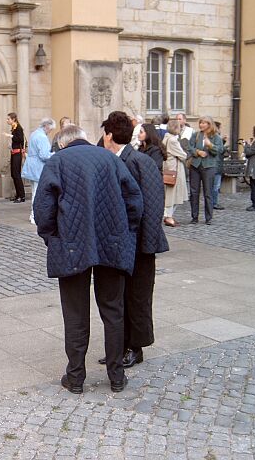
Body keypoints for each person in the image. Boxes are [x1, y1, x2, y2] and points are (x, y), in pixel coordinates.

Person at [33, 125, 143, 394]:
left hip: (72, 245)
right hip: (112, 243)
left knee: (75, 313)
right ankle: (116, 376)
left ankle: (76, 377)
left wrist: (52, 237)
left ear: (62, 143)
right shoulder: (109, 158)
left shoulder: (58, 161)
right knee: (113, 311)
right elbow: (134, 201)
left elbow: (43, 208)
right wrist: (124, 232)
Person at [100, 111, 169, 369]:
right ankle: (118, 346)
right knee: (118, 297)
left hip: (139, 243)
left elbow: (153, 204)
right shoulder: (112, 160)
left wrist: (147, 244)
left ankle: (135, 347)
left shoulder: (140, 161)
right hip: (119, 243)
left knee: (137, 297)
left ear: (109, 135)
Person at [188, 116, 224, 225]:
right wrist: (197, 152)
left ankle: (209, 217)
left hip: (209, 167)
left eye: (204, 123)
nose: (201, 125)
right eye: (200, 123)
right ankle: (194, 217)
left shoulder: (215, 137)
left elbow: (219, 150)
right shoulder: (196, 135)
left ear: (209, 124)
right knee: (194, 192)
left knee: (208, 192)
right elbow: (189, 147)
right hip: (195, 166)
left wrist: (210, 145)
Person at [22, 118, 55, 224]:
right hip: (38, 168)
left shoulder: (34, 133)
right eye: (50, 129)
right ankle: (34, 215)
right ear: (47, 126)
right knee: (37, 193)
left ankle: (34, 215)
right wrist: (55, 155)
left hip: (32, 166)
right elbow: (44, 155)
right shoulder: (41, 137)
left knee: (35, 191)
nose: (50, 132)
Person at [162, 119, 189, 227]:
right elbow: (183, 155)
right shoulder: (172, 140)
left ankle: (169, 216)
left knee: (171, 193)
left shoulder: (166, 137)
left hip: (170, 167)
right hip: (175, 169)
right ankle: (168, 216)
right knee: (173, 194)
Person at [5, 112, 26, 202]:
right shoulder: (14, 127)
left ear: (13, 119)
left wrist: (11, 136)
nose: (7, 120)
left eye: (8, 119)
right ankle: (18, 194)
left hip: (17, 153)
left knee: (16, 174)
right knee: (14, 174)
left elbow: (20, 139)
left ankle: (22, 196)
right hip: (14, 152)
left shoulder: (18, 127)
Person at [211, 121, 228, 211]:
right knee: (215, 186)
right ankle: (214, 203)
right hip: (216, 165)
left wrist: (223, 141)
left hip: (215, 165)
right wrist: (224, 147)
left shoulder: (213, 137)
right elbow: (219, 150)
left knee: (213, 186)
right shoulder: (215, 137)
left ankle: (212, 202)